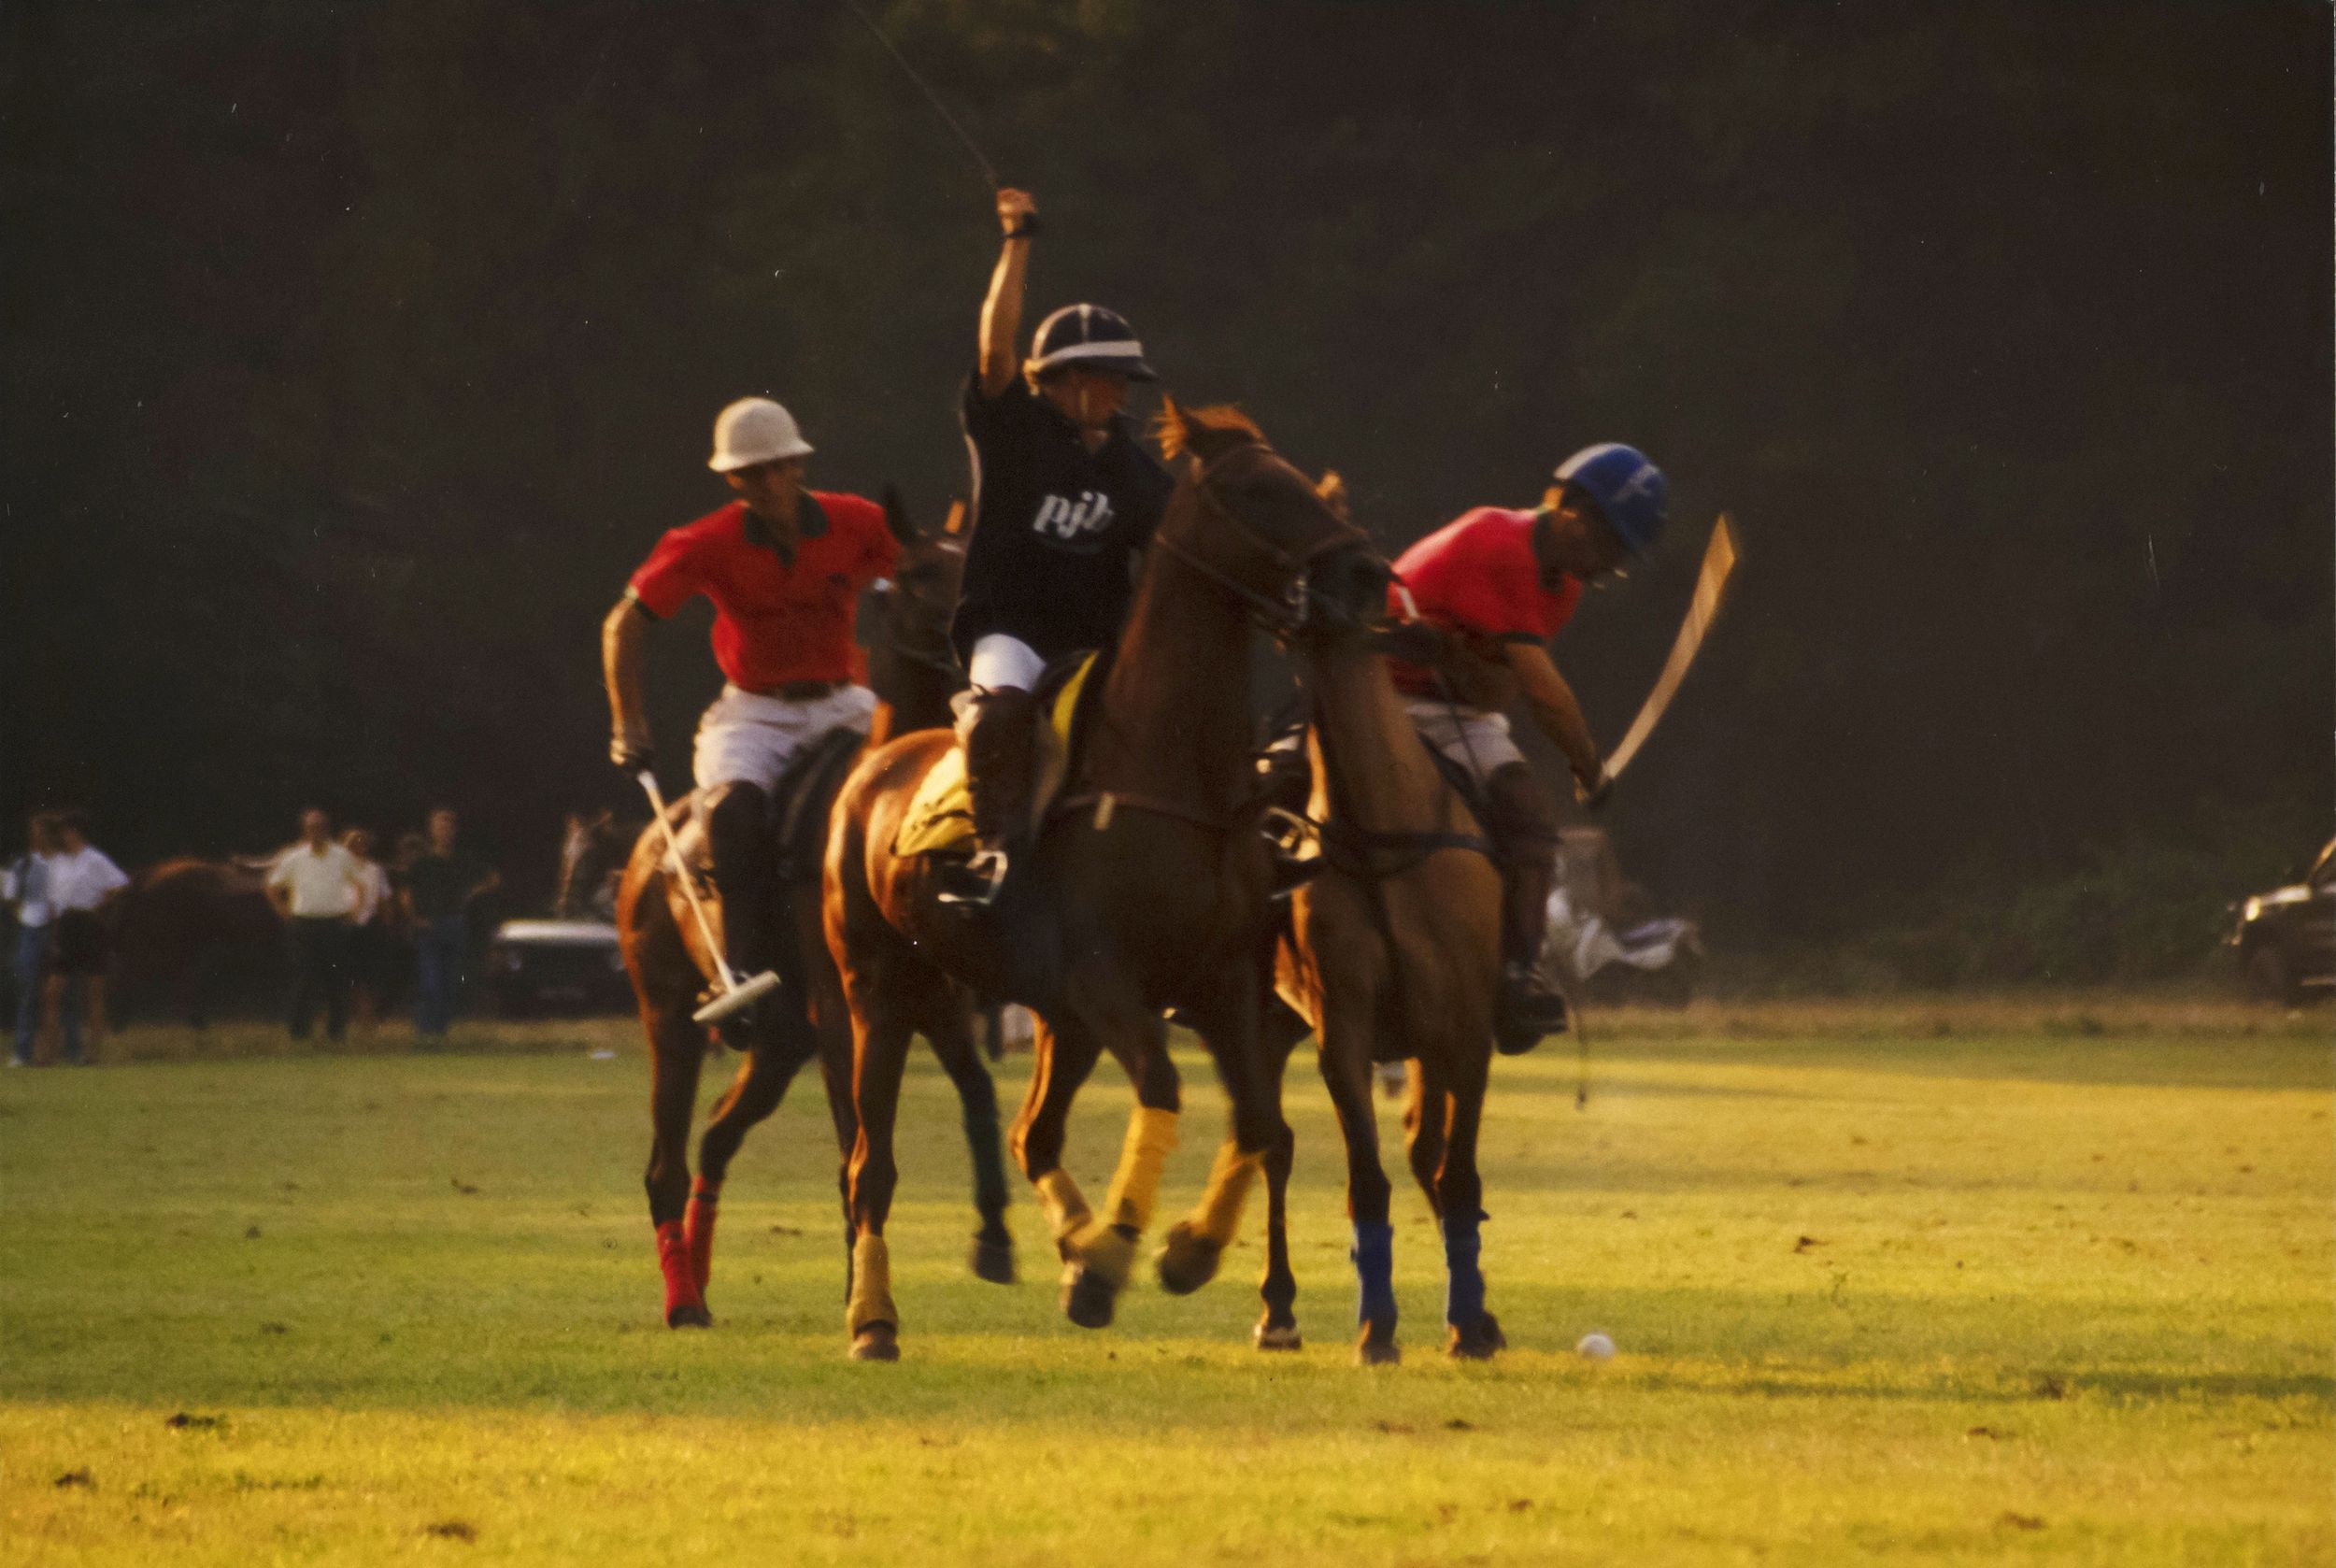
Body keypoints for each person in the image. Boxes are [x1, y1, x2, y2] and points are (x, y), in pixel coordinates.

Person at [601, 396, 898, 1027]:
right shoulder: (703, 542)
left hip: (843, 700)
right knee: (733, 810)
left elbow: (921, 571)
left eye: (774, 469)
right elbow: (625, 621)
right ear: (731, 479)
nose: (764, 484)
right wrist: (628, 719)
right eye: (748, 474)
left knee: (915, 789)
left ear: (798, 466)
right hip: (755, 713)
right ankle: (735, 970)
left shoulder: (859, 522)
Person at [1385, 442, 1669, 1052]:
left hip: (1456, 709)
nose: (1606, 566)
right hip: (1380, 689)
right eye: (1608, 543)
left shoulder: (1559, 586)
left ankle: (1518, 974)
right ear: (1571, 508)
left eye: (1620, 556)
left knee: (1530, 824)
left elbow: (1499, 692)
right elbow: (1545, 695)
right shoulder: (1499, 542)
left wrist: (1468, 664)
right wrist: (1589, 769)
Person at [944, 186, 1173, 905]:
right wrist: (1018, 242)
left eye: (1122, 381)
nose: (1119, 393)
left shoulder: (1136, 469)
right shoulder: (1015, 429)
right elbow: (994, 347)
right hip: (1011, 632)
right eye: (1108, 379)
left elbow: (1171, 552)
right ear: (1064, 381)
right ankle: (991, 856)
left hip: (1098, 644)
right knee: (1003, 711)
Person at [266, 808, 364, 1045]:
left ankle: (336, 1032)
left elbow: (360, 885)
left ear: (326, 829)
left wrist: (355, 912)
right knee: (303, 978)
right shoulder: (294, 858)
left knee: (336, 979)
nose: (316, 831)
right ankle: (299, 1033)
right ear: (305, 830)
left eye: (320, 827)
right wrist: (282, 910)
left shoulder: (341, 856)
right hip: (304, 925)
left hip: (334, 924)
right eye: (311, 827)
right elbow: (272, 886)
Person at [401, 807, 499, 1043]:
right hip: (428, 927)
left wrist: (472, 894)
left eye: (448, 827)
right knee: (430, 981)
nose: (443, 832)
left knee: (450, 981)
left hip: (455, 925)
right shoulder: (422, 863)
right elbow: (406, 893)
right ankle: (425, 1031)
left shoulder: (463, 860)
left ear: (453, 831)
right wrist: (414, 919)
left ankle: (440, 1033)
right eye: (439, 827)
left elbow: (493, 879)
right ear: (431, 830)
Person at [42, 810, 130, 1064]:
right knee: (52, 991)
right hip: (66, 925)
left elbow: (119, 885)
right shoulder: (59, 861)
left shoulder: (94, 859)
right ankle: (50, 1054)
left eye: (65, 831)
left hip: (87, 924)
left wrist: (98, 905)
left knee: (93, 991)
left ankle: (93, 1054)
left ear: (74, 831)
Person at [4, 813, 62, 1066]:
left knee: (60, 991)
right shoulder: (23, 863)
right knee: (28, 991)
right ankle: (23, 1052)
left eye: (42, 832)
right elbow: (11, 896)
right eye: (34, 832)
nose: (37, 837)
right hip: (31, 929)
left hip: (57, 929)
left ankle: (63, 1050)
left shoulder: (61, 863)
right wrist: (24, 916)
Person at [342, 827, 395, 1033]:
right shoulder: (339, 868)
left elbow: (384, 898)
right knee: (349, 975)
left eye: (362, 842)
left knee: (370, 975)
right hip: (344, 924)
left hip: (369, 925)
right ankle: (353, 1018)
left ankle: (368, 1019)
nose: (358, 846)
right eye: (353, 842)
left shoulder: (375, 869)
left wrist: (387, 923)